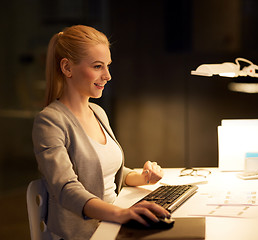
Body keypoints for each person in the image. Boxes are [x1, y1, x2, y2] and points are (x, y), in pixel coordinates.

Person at [32, 25, 170, 240]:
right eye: (97, 66)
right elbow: (66, 188)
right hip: (85, 232)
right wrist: (121, 214)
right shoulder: (49, 121)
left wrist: (141, 177)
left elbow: (104, 173)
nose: (107, 76)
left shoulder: (97, 112)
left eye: (107, 66)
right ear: (67, 68)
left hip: (111, 222)